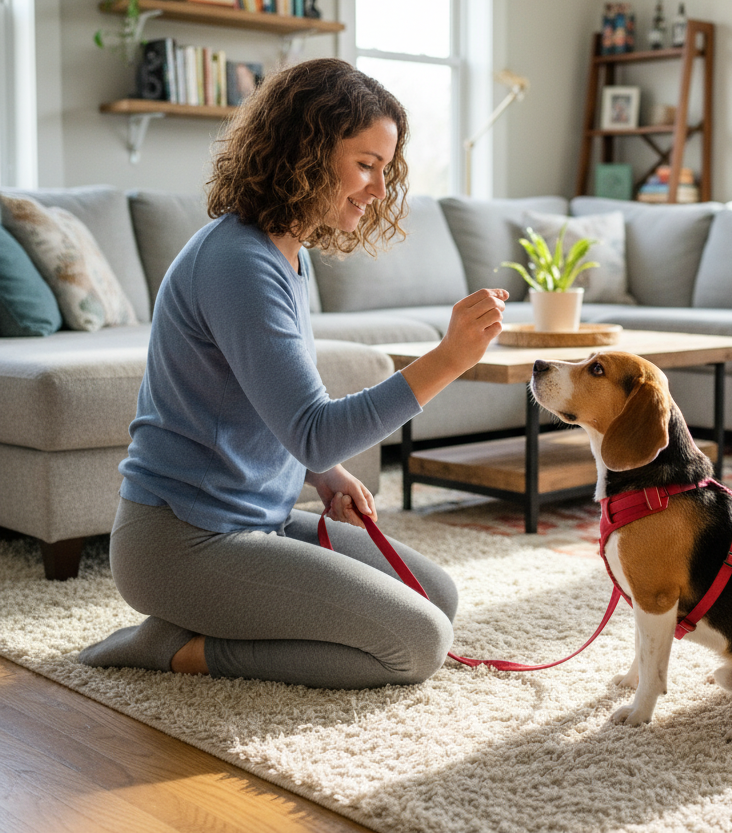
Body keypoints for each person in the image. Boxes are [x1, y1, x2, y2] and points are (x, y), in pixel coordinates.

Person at [79, 58, 509, 688]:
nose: (377, 189)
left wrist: (323, 475)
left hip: (259, 520)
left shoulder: (287, 253)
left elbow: (273, 416)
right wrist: (447, 359)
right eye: (365, 165)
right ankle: (175, 646)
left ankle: (224, 620)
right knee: (417, 644)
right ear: (304, 151)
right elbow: (313, 429)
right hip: (181, 543)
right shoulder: (239, 263)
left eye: (384, 170)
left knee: (435, 595)